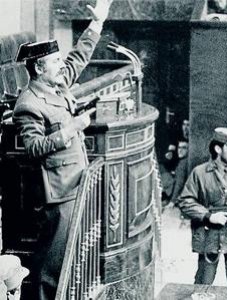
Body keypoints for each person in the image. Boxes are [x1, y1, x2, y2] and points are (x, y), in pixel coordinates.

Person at [12, 0, 113, 299]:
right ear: (40, 68)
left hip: (75, 181)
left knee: (70, 255)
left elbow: (78, 58)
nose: (62, 65)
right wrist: (73, 128)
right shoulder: (28, 104)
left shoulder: (56, 84)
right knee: (54, 262)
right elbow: (33, 148)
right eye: (55, 62)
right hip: (58, 191)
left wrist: (97, 23)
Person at [177, 127, 227, 286]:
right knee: (203, 284)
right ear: (218, 148)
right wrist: (209, 216)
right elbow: (185, 201)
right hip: (209, 234)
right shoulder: (200, 173)